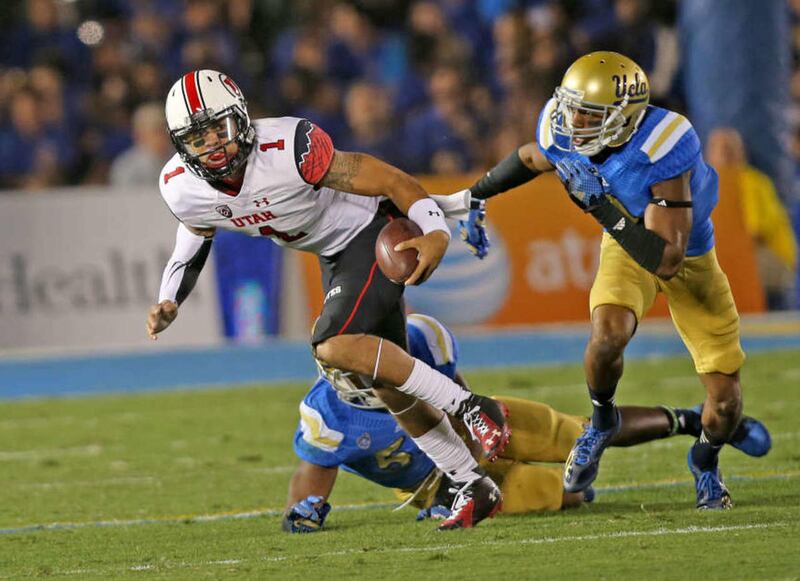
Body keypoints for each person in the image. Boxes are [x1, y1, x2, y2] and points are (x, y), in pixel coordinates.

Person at [145, 70, 510, 530]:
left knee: (332, 343)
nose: (214, 145)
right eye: (198, 137)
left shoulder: (289, 147)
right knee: (387, 383)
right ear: (181, 145)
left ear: (242, 118)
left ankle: (471, 406)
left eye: (219, 127)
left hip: (369, 232)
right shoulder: (182, 186)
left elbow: (390, 181)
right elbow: (194, 236)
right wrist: (170, 297)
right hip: (333, 256)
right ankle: (470, 481)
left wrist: (435, 228)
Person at [436, 51, 750, 510]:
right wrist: (471, 196)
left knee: (723, 403)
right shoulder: (563, 128)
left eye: (589, 112)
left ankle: (705, 459)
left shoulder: (663, 146)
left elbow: (666, 258)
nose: (573, 119)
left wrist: (599, 205)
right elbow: (532, 157)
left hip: (685, 257)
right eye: (571, 105)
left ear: (625, 117)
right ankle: (602, 420)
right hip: (625, 246)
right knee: (607, 335)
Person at [283, 313, 771, 532]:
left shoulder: (422, 340)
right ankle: (576, 492)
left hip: (486, 430)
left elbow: (462, 400)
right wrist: (302, 513)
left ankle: (700, 424)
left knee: (584, 435)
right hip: (442, 486)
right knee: (569, 493)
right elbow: (311, 479)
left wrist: (475, 450)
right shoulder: (326, 414)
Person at [705, 127, 797, 310]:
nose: (726, 153)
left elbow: (754, 232)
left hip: (761, 256)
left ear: (742, 153)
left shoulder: (754, 182)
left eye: (731, 148)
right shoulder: (700, 186)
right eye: (721, 148)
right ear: (709, 154)